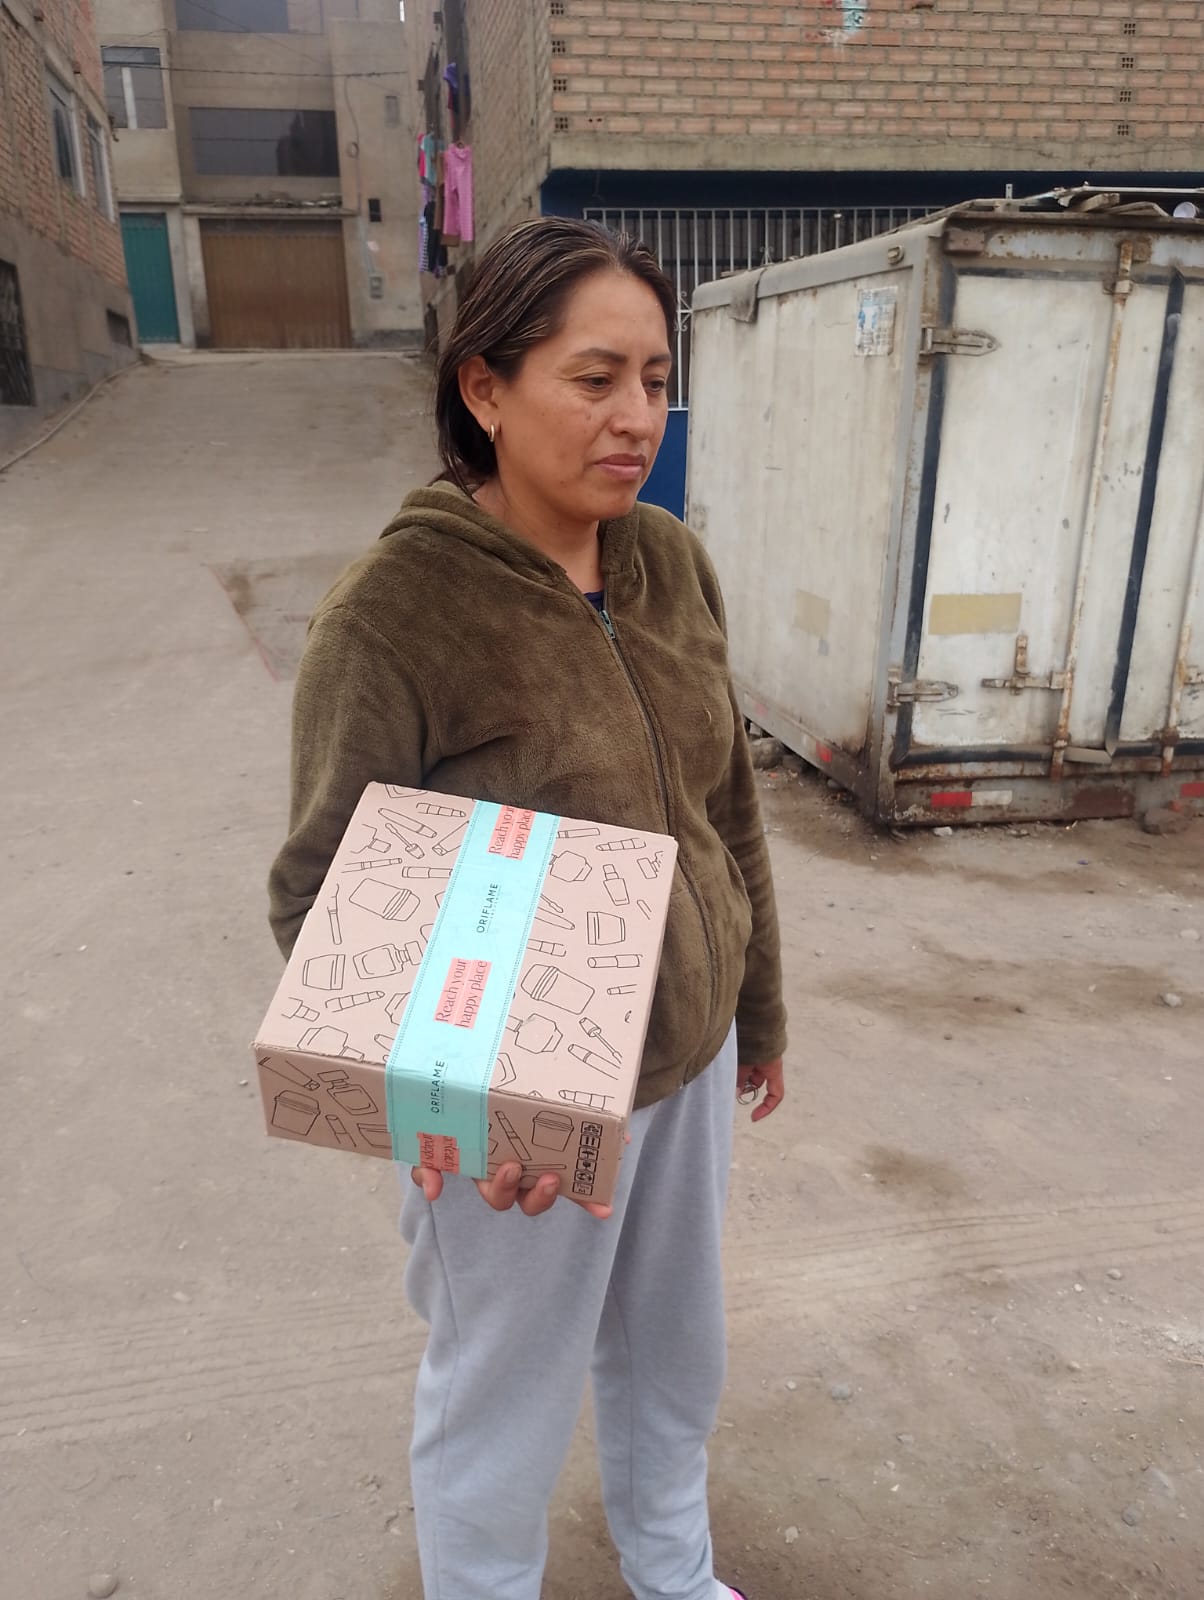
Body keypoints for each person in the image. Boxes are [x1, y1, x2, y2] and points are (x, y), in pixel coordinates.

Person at [268, 218, 787, 1600]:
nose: (637, 419)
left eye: (657, 381)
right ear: (485, 389)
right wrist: (465, 1107)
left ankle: (674, 1570)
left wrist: (759, 1013)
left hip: (687, 1056)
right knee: (503, 1394)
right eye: (595, 378)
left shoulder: (668, 560)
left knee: (675, 1355)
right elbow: (324, 894)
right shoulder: (395, 613)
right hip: (523, 1094)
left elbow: (727, 806)